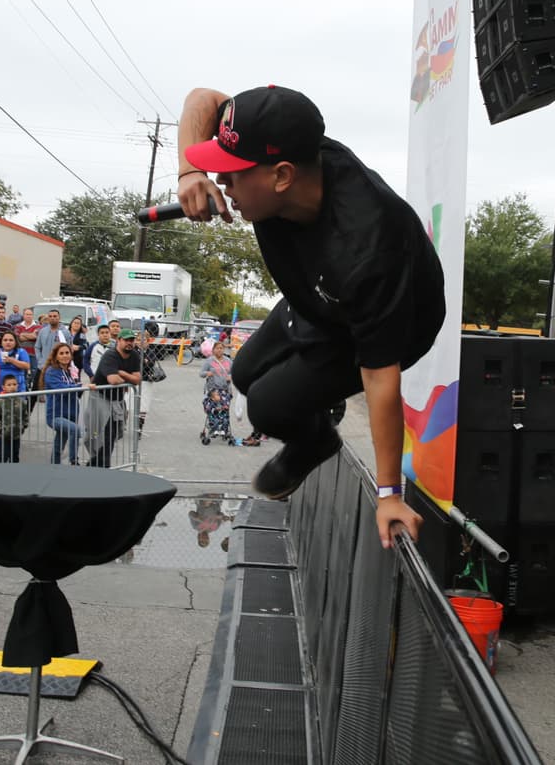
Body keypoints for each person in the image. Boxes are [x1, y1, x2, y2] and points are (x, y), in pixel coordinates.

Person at [176, 85, 445, 547]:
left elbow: (383, 382)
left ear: (281, 176)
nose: (222, 185)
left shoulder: (365, 250)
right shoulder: (288, 145)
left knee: (267, 406)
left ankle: (317, 441)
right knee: (243, 372)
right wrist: (187, 171)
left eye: (233, 175)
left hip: (381, 320)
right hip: (316, 295)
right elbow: (203, 98)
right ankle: (316, 416)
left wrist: (389, 496)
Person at [92, 329, 140, 467]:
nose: (130, 343)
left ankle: (97, 464)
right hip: (100, 398)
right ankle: (101, 466)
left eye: (132, 340)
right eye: (126, 340)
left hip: (117, 400)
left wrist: (121, 372)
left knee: (113, 435)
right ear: (118, 340)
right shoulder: (110, 355)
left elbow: (137, 380)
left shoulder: (134, 356)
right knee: (99, 435)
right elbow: (113, 380)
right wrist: (127, 378)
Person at [40, 342, 82, 465]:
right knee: (75, 430)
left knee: (59, 444)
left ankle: (54, 466)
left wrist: (77, 385)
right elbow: (62, 389)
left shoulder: (72, 371)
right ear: (56, 356)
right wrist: (78, 386)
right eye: (61, 353)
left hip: (71, 414)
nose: (65, 356)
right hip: (56, 416)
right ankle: (74, 461)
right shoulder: (51, 371)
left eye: (67, 353)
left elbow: (77, 393)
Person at [0, 374, 28, 463]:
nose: (12, 387)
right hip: (3, 436)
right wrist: (1, 429)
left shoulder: (21, 401)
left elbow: (25, 415)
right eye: (9, 385)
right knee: (2, 457)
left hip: (16, 436)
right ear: (3, 387)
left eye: (14, 384)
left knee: (15, 457)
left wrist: (22, 427)